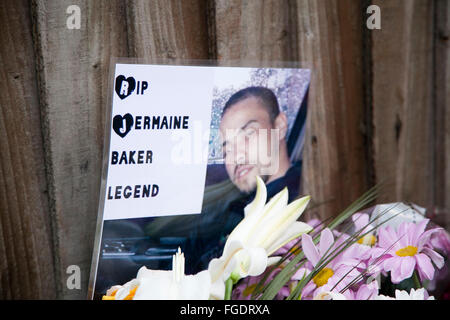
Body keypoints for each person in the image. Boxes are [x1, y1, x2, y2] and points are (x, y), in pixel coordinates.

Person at [187, 86, 303, 273]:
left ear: (279, 127)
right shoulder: (228, 208)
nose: (237, 158)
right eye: (227, 150)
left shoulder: (293, 203)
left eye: (248, 134)